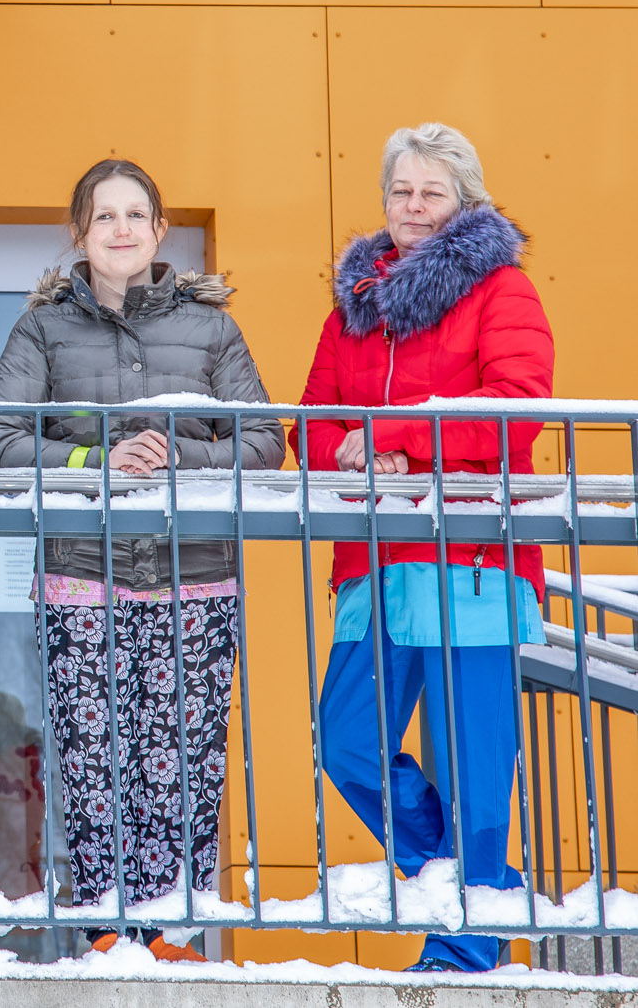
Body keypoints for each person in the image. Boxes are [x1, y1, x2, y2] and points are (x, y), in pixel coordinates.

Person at [0, 157, 283, 962]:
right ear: (80, 232)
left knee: (183, 757)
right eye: (103, 216)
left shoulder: (210, 327)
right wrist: (94, 463)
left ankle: (172, 930)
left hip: (194, 576)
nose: (120, 230)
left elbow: (263, 440)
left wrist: (179, 458)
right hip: (82, 573)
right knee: (93, 754)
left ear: (158, 230)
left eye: (134, 215)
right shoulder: (42, 328)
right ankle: (109, 926)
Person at [296, 124, 552, 974]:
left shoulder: (500, 287)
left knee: (475, 757)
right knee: (347, 740)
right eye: (399, 191)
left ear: (463, 201)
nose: (412, 207)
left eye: (430, 192)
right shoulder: (354, 303)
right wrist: (349, 444)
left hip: (471, 555)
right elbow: (316, 414)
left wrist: (397, 439)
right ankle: (469, 874)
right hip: (375, 558)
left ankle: (467, 939)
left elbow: (519, 403)